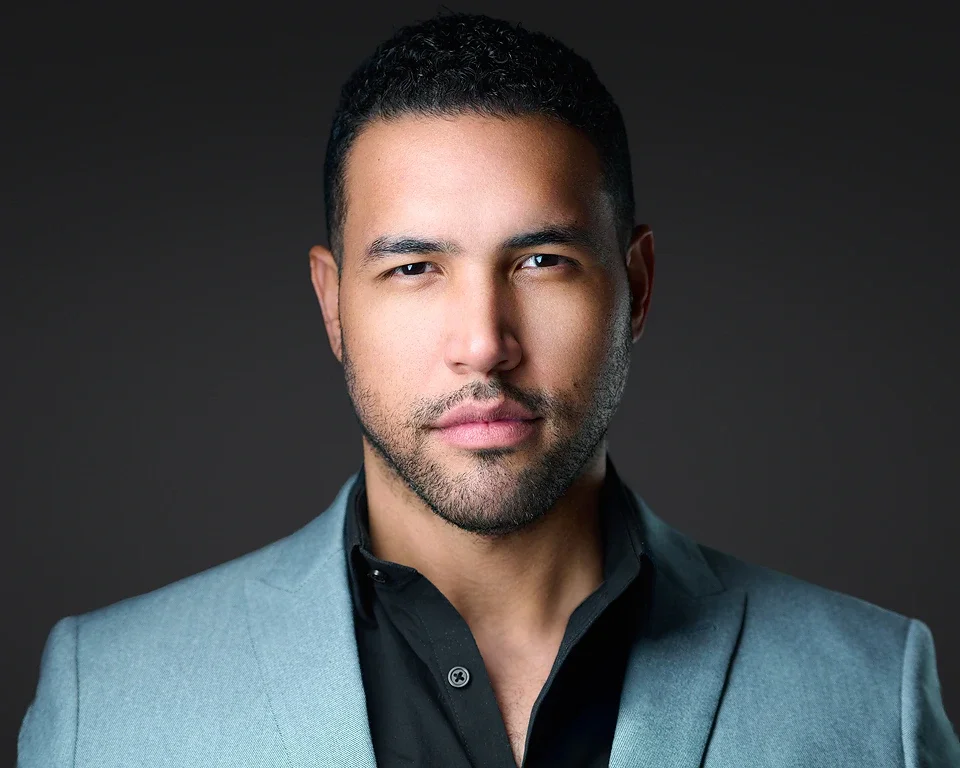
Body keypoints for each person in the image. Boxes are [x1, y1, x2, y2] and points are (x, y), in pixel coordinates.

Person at [18, 11, 959, 768]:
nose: (484, 345)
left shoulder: (874, 696)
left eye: (542, 260)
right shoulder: (103, 699)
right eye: (415, 268)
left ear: (634, 287)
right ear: (331, 303)